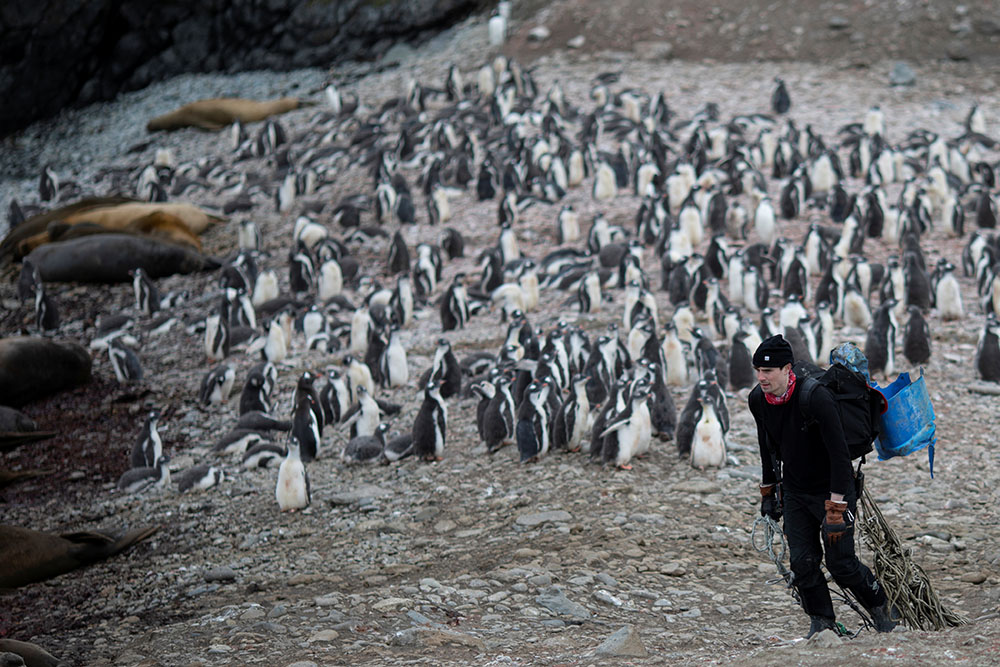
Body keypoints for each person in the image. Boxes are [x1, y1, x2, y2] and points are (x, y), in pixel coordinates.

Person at [748, 334, 897, 638]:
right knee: (802, 563)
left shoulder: (815, 397)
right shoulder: (758, 400)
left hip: (832, 488)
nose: (762, 377)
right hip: (795, 490)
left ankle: (883, 609)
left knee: (841, 564)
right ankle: (822, 622)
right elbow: (767, 448)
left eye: (768, 371)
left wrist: (836, 506)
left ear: (787, 369)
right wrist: (769, 492)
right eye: (758, 371)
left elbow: (840, 455)